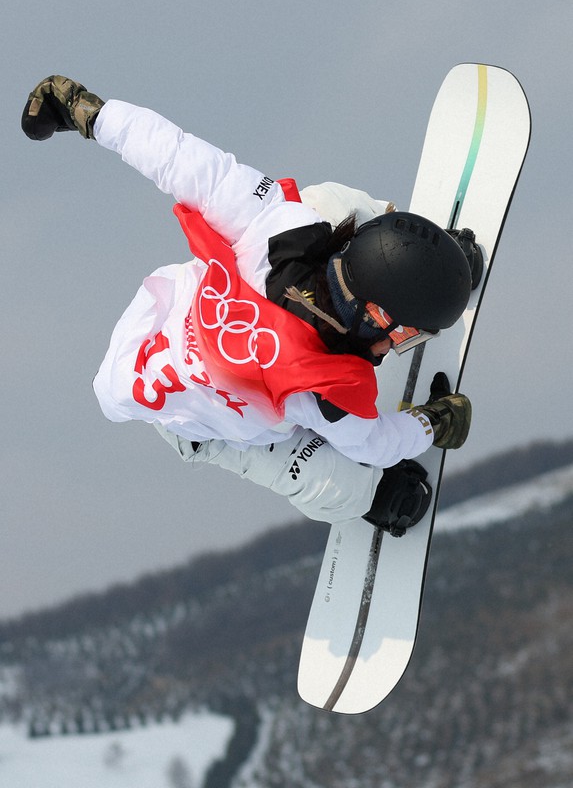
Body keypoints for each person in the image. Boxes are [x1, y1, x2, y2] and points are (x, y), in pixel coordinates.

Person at [21, 76, 475, 537]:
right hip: (191, 414)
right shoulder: (327, 392)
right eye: (407, 333)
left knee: (334, 206)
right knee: (339, 483)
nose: (401, 343)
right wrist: (428, 425)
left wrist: (93, 116)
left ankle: (417, 266)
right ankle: (372, 498)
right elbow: (375, 444)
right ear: (377, 314)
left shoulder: (281, 228)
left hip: (175, 317)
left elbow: (182, 160)